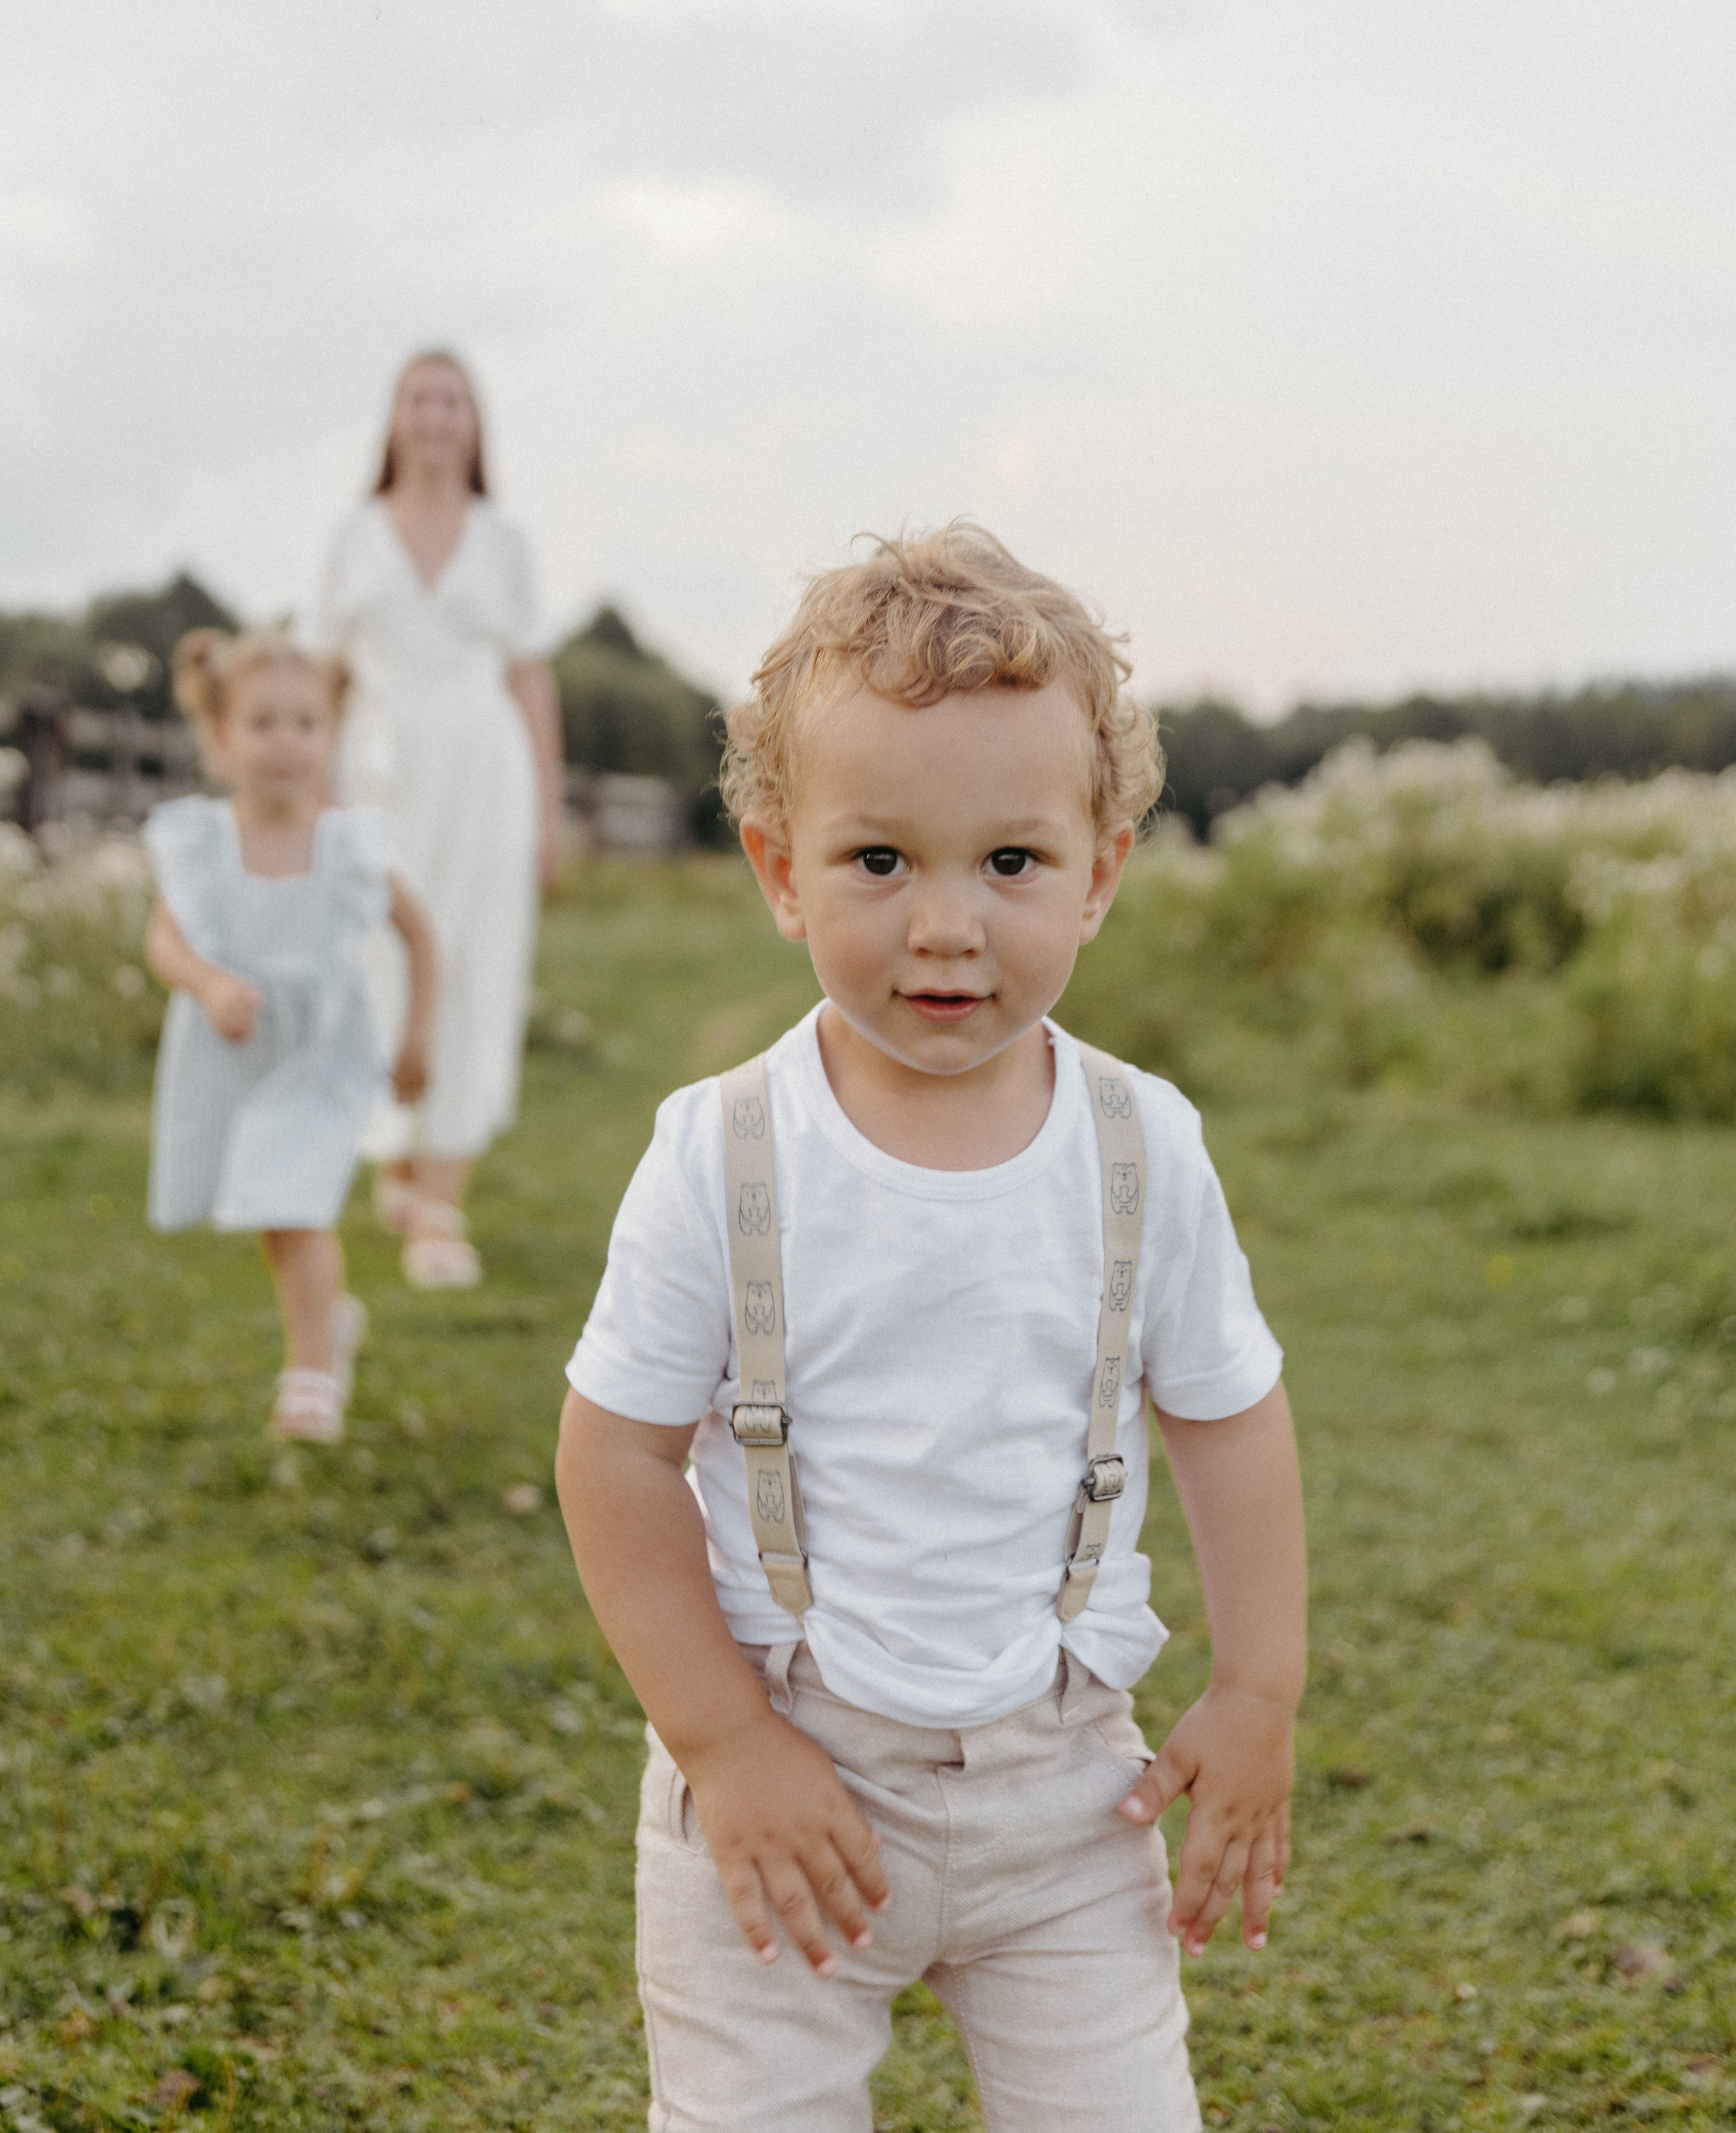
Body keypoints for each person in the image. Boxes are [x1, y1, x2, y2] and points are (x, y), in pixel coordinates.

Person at [555, 524, 1307, 2133]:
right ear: (777, 868)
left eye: (1010, 863)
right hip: (777, 1769)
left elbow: (1225, 1412)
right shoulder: (723, 1149)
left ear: (1099, 870)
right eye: (879, 860)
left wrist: (1256, 1685)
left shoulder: (1137, 1143)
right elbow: (613, 1451)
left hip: (1065, 1793)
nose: (945, 924)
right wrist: (722, 1739)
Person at [143, 629, 437, 1446]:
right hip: (236, 1055)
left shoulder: (348, 845)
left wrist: (417, 1042)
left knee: (298, 1207)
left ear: (330, 737)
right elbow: (163, 941)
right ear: (219, 737)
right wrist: (208, 984)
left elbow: (421, 938)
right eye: (264, 723)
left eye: (306, 724)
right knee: (276, 1215)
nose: (287, 742)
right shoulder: (202, 842)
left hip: (322, 1058)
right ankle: (331, 1320)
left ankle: (312, 1375)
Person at [315, 349, 565, 1288]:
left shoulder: (504, 540)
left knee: (469, 962)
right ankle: (400, 1154)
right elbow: (326, 670)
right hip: (377, 779)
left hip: (482, 776)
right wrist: (315, 804)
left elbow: (530, 676)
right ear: (393, 419)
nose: (434, 416)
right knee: (378, 962)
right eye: (419, 399)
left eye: (452, 401)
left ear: (474, 422)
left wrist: (546, 809)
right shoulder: (354, 533)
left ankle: (444, 1197)